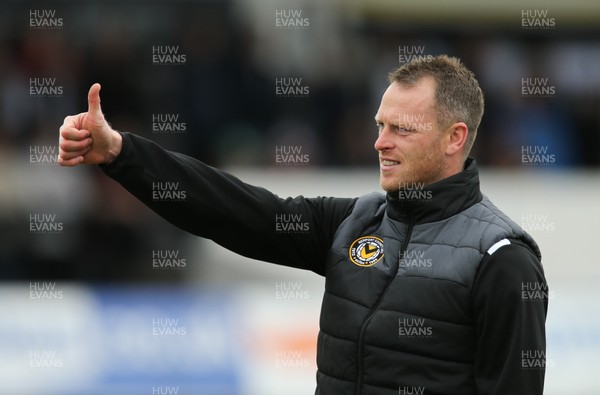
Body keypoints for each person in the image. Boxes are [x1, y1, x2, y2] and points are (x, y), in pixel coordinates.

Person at [58, 55, 548, 395]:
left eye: (401, 129)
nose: (380, 142)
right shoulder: (354, 222)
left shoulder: (502, 258)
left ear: (454, 138)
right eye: (379, 125)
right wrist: (122, 154)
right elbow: (232, 209)